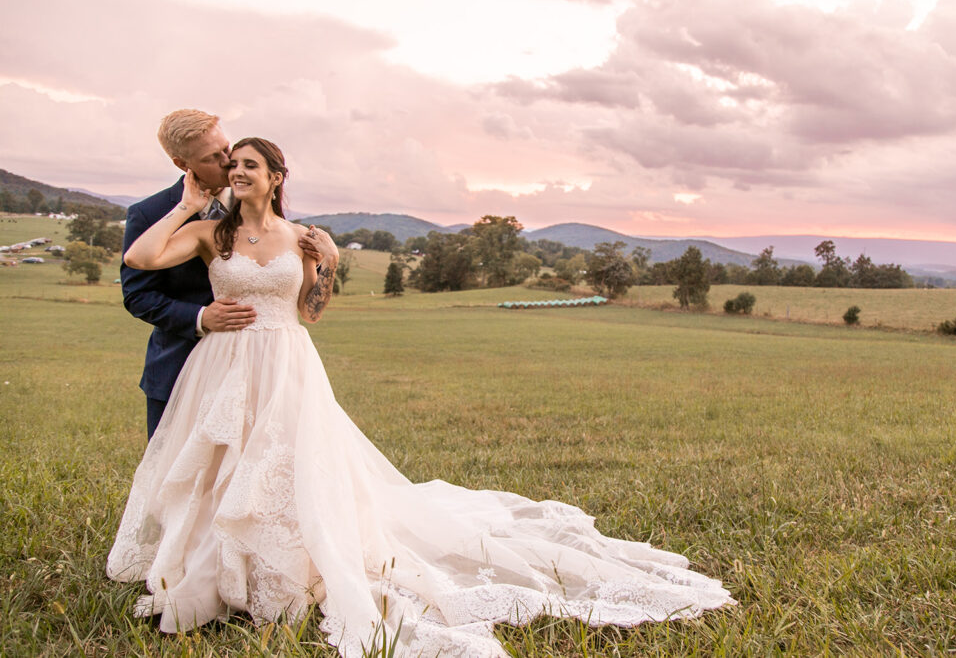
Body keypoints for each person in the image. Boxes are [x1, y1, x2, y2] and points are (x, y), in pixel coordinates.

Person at [107, 138, 733, 657]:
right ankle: (212, 575)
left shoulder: (304, 237)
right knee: (222, 468)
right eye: (233, 164)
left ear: (274, 177)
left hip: (286, 360)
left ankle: (282, 574)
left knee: (284, 467)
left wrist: (325, 266)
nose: (238, 172)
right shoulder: (210, 233)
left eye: (251, 165)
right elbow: (140, 256)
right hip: (222, 363)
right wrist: (188, 202)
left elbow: (311, 313)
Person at [121, 109, 257, 439]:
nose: (230, 161)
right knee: (168, 476)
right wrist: (200, 317)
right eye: (214, 157)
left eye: (228, 148)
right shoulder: (148, 213)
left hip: (248, 368)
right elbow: (138, 296)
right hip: (177, 364)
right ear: (183, 165)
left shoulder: (255, 201)